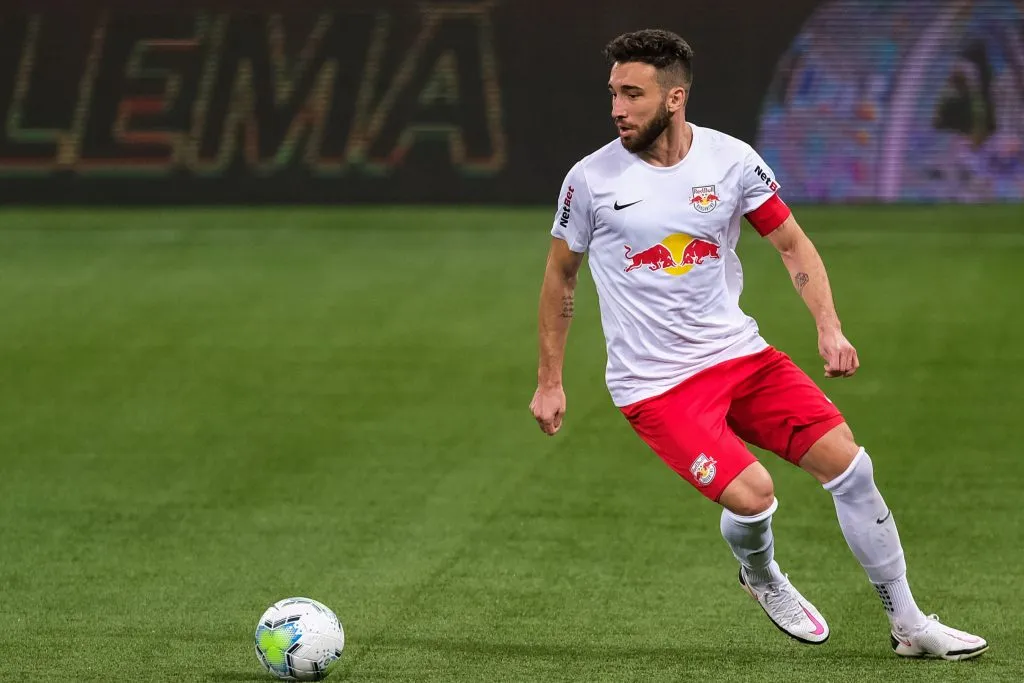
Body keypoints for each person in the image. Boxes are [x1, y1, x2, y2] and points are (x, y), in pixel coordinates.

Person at [529, 28, 987, 660]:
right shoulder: (590, 180)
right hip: (656, 386)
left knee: (852, 468)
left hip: (740, 356)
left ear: (675, 97)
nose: (617, 109)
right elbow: (560, 275)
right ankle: (762, 574)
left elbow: (792, 243)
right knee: (755, 496)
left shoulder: (731, 161)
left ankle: (909, 623)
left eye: (633, 94)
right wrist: (550, 380)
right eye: (613, 93)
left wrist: (829, 326)